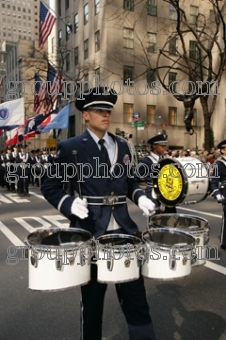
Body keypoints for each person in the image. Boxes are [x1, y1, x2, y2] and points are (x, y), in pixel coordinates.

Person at [42, 86, 157, 340]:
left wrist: (140, 197)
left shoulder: (124, 146)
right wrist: (67, 203)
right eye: (99, 110)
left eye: (108, 110)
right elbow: (49, 185)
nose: (106, 114)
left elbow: (130, 183)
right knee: (93, 304)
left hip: (125, 234)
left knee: (137, 300)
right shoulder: (71, 147)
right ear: (85, 115)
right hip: (91, 233)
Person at [138, 133, 177, 214]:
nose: (164, 148)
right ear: (154, 146)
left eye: (165, 146)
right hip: (153, 195)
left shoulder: (166, 160)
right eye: (162, 145)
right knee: (155, 222)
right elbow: (134, 180)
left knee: (172, 220)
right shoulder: (145, 161)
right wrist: (141, 196)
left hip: (168, 195)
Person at [211, 139, 226, 250]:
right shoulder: (218, 164)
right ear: (223, 150)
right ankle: (224, 241)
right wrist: (217, 194)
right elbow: (214, 181)